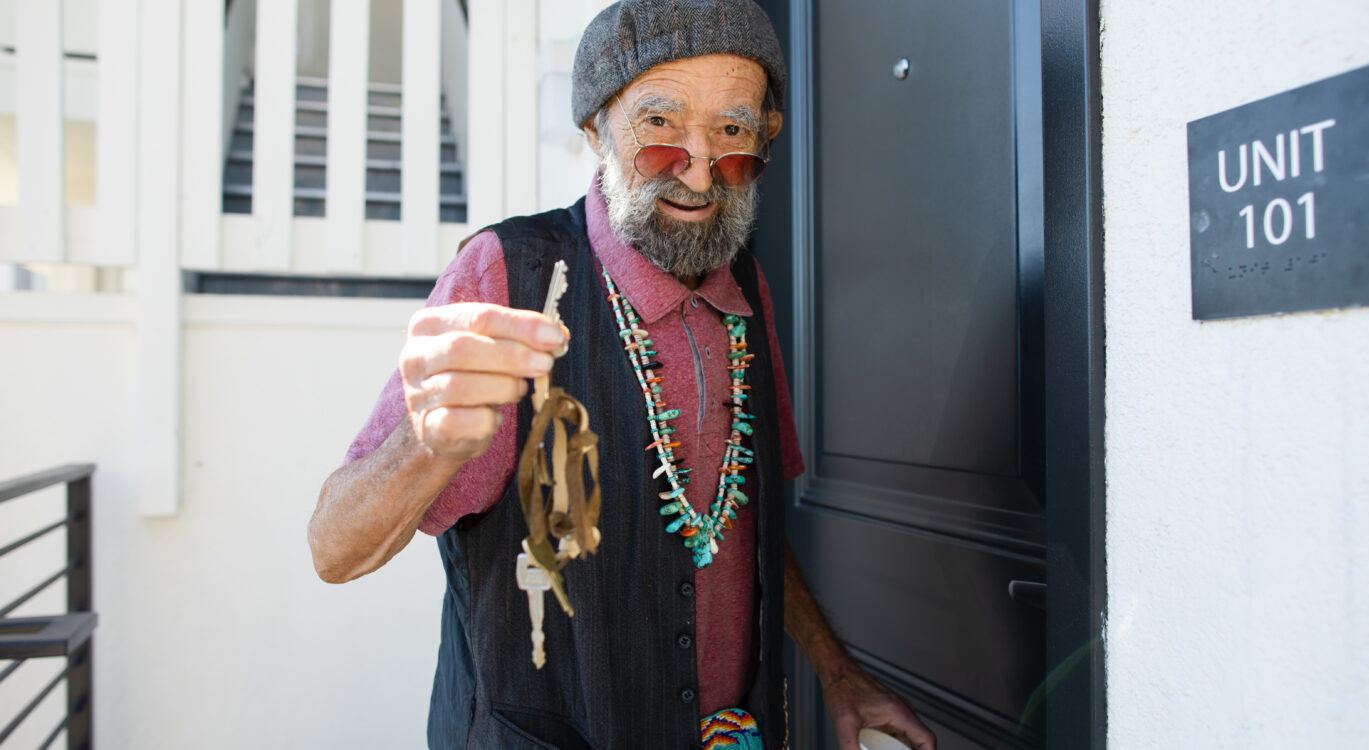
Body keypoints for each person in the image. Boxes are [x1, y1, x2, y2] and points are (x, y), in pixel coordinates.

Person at [308, 2, 936, 748]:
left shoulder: (747, 288)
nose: (700, 170)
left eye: (732, 131)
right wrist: (428, 444)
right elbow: (334, 551)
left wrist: (837, 671)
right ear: (594, 128)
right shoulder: (509, 275)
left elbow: (740, 533)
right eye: (660, 126)